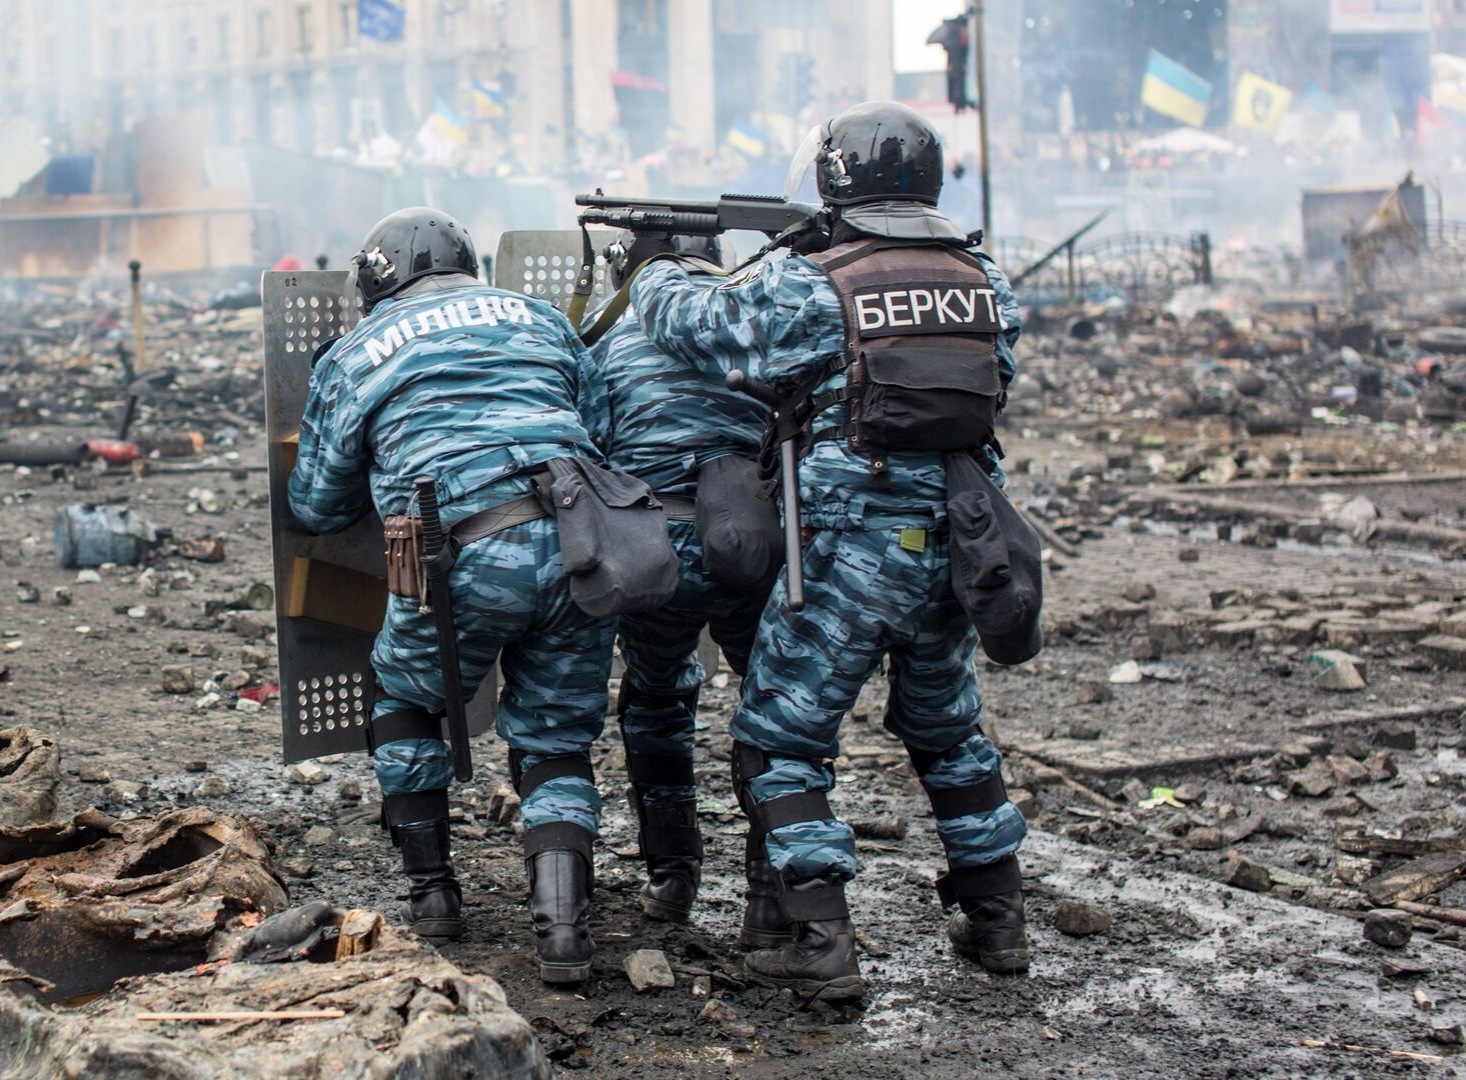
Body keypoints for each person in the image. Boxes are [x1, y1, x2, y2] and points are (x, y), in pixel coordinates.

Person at [623, 101, 1030, 1003]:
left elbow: (701, 327)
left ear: (834, 181)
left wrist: (653, 266)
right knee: (947, 729)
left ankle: (820, 937)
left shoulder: (818, 283)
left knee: (781, 739)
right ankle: (998, 919)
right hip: (961, 544)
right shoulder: (987, 282)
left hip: (849, 548)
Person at [288, 207, 615, 984]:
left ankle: (434, 896)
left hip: (458, 555)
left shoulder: (359, 349)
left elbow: (317, 504)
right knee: (557, 738)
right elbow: (597, 429)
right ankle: (564, 933)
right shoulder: (540, 318)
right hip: (581, 543)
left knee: (403, 696)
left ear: (376, 282)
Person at [587, 235, 776, 938]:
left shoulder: (607, 346)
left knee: (657, 698)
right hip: (749, 544)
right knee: (774, 711)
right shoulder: (746, 332)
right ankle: (771, 898)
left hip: (653, 548)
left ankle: (673, 878)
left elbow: (590, 450)